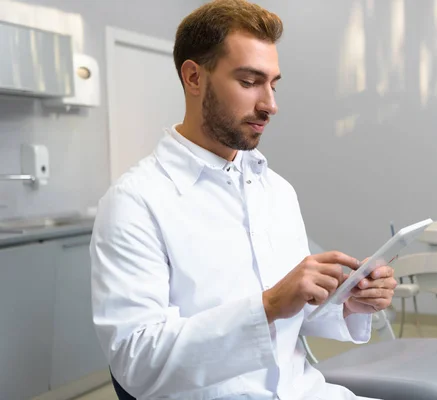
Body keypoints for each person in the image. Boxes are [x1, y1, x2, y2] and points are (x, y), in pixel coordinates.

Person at [90, 0, 397, 399]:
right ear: (194, 77)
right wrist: (268, 304)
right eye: (250, 82)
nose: (270, 104)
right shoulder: (134, 203)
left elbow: (294, 316)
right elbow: (136, 362)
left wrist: (349, 303)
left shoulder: (277, 191)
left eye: (273, 83)